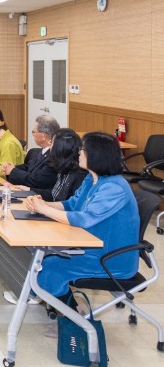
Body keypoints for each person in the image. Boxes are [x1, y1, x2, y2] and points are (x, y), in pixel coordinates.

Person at [24, 132, 139, 335]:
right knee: (42, 259)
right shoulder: (92, 179)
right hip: (90, 247)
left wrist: (45, 210)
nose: (79, 153)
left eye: (83, 150)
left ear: (97, 155)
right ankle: (71, 310)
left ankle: (76, 317)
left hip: (111, 259)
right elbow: (71, 205)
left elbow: (84, 218)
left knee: (48, 268)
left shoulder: (114, 188)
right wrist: (43, 204)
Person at [1, 115, 59, 190]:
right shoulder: (42, 151)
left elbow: (37, 180)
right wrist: (11, 167)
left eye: (34, 132)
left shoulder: (53, 156)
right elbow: (29, 167)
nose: (33, 134)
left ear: (43, 136)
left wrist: (13, 171)